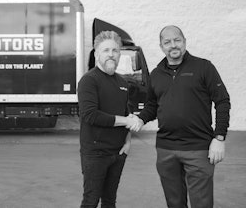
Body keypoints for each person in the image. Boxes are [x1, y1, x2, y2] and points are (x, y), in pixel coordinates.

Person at [134, 25, 231, 208]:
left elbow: (222, 101)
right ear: (162, 46)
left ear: (185, 42)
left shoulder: (203, 67)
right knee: (174, 203)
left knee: (201, 204)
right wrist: (140, 119)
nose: (173, 45)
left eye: (177, 40)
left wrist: (219, 137)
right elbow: (152, 106)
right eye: (167, 42)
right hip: (166, 149)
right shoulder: (156, 74)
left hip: (198, 149)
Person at [78, 30, 141, 208]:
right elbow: (90, 115)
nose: (111, 55)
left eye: (115, 50)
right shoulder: (89, 80)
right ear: (97, 54)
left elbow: (125, 112)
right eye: (106, 50)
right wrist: (127, 121)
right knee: (90, 201)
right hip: (95, 154)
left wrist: (127, 142)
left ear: (120, 54)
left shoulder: (122, 83)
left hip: (118, 153)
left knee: (109, 201)